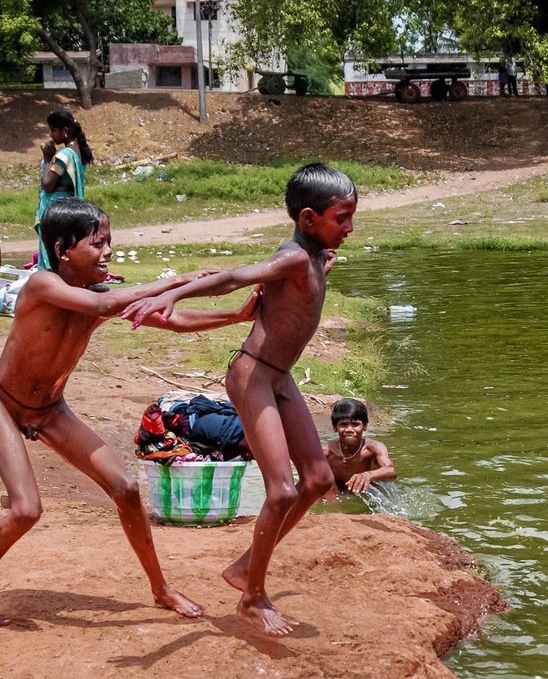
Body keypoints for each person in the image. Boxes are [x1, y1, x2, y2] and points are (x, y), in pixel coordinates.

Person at [121, 164, 357, 637]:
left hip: (280, 377)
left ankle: (244, 567)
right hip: (252, 377)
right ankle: (252, 597)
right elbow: (232, 277)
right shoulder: (292, 257)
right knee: (282, 489)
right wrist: (172, 294)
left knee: (315, 478)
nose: (349, 227)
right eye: (341, 218)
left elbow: (297, 290)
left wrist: (320, 263)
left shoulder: (310, 258)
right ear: (308, 218)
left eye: (352, 217)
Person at [0, 198, 259, 625]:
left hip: (49, 410)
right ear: (63, 250)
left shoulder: (100, 294)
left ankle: (161, 589)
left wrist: (235, 315)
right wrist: (177, 279)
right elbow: (104, 307)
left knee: (125, 488)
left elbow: (171, 320)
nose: (108, 253)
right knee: (26, 510)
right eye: (97, 243)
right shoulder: (41, 287)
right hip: (4, 406)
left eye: (110, 243)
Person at [35, 110, 93, 271]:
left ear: (65, 131)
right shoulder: (78, 152)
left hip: (55, 210)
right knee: (64, 247)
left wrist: (47, 159)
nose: (51, 134)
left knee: (52, 250)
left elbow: (48, 184)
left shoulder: (64, 155)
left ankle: (51, 286)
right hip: (69, 207)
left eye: (53, 130)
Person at [323, 398, 397, 497]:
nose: (349, 429)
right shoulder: (326, 451)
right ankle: (332, 509)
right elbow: (309, 477)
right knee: (323, 479)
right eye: (343, 424)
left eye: (355, 424)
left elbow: (391, 471)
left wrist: (368, 475)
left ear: (365, 426)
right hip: (336, 494)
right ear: (335, 427)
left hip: (367, 493)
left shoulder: (373, 448)